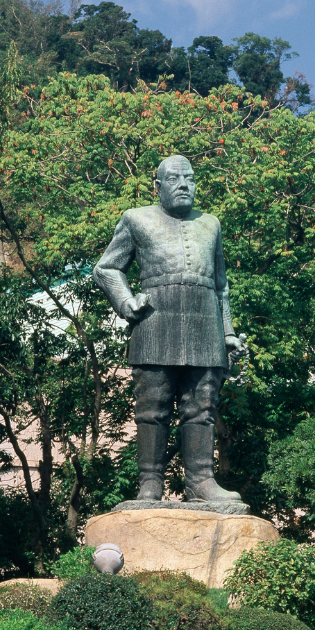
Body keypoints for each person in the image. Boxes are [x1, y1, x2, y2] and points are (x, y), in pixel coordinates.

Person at [93, 154, 246, 503]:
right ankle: (150, 483)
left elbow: (221, 285)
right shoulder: (136, 219)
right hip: (155, 322)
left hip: (205, 325)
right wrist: (126, 301)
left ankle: (201, 482)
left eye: (189, 179)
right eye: (175, 180)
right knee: (152, 407)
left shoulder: (211, 224)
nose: (183, 186)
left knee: (202, 406)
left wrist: (228, 333)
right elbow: (106, 268)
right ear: (158, 186)